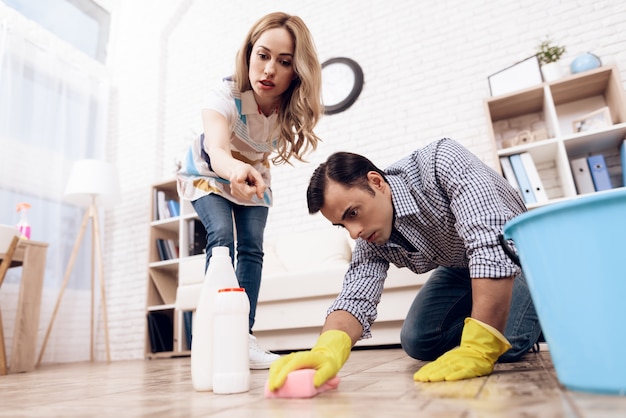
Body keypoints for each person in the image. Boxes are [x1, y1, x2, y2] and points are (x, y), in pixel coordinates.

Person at [268, 138, 542, 389]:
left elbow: (489, 243)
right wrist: (326, 349)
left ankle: (539, 310)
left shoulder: (442, 162)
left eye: (353, 213)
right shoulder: (370, 236)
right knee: (418, 339)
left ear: (376, 182)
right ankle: (503, 311)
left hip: (522, 253)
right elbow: (355, 296)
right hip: (461, 265)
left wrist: (479, 346)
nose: (354, 233)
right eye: (342, 225)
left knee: (508, 339)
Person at [177, 12, 323, 370]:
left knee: (253, 249)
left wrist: (248, 172)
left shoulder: (288, 107)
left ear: (296, 71)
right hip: (210, 174)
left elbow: (258, 153)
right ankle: (212, 334)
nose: (269, 69)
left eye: (284, 61)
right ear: (248, 55)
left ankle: (241, 336)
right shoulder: (224, 95)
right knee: (222, 237)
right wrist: (234, 169)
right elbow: (218, 150)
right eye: (262, 55)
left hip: (253, 176)